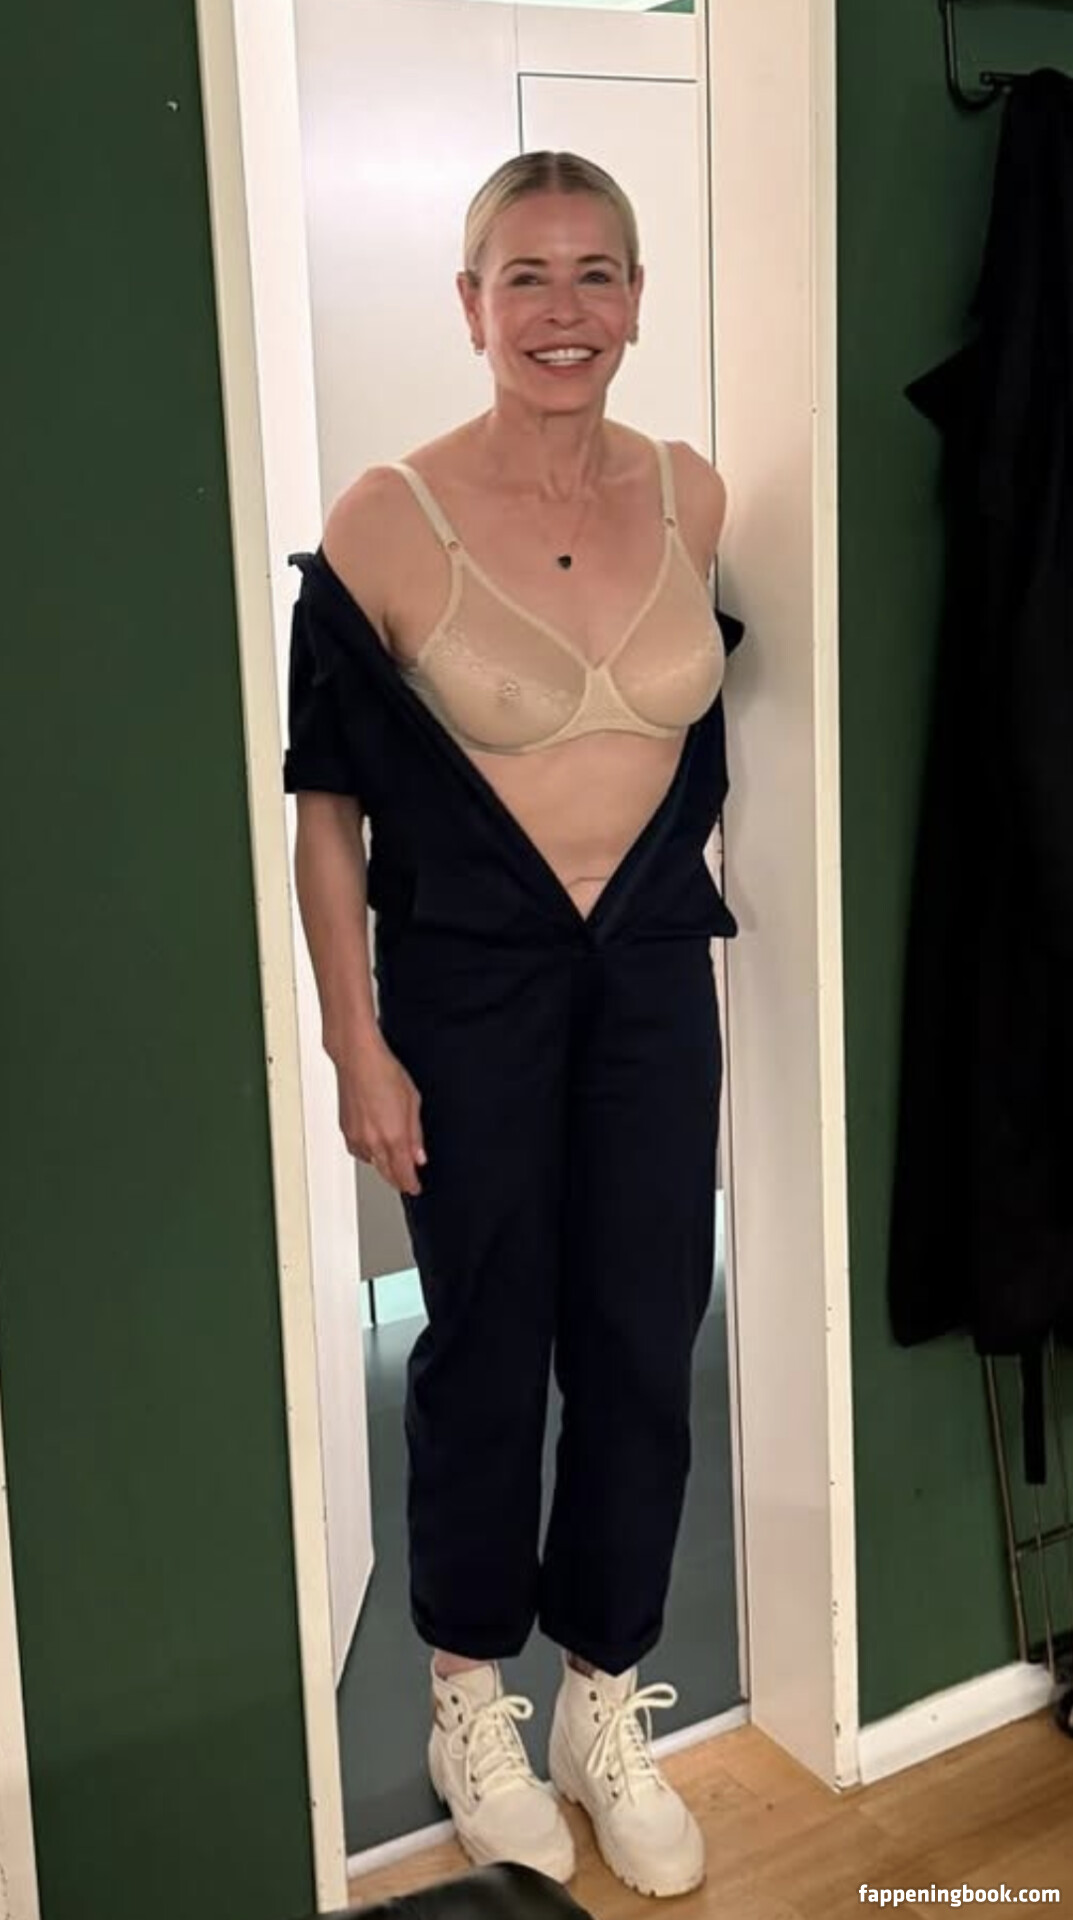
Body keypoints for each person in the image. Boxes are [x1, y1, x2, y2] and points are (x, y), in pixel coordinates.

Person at [284, 151, 740, 1901]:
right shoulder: (389, 517)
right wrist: (357, 1042)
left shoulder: (690, 494)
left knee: (642, 1336)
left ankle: (601, 1700)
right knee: (484, 1344)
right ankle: (467, 1696)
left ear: (636, 298)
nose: (563, 313)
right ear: (469, 302)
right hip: (464, 991)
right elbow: (329, 810)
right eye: (525, 277)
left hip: (649, 983)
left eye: (595, 273)